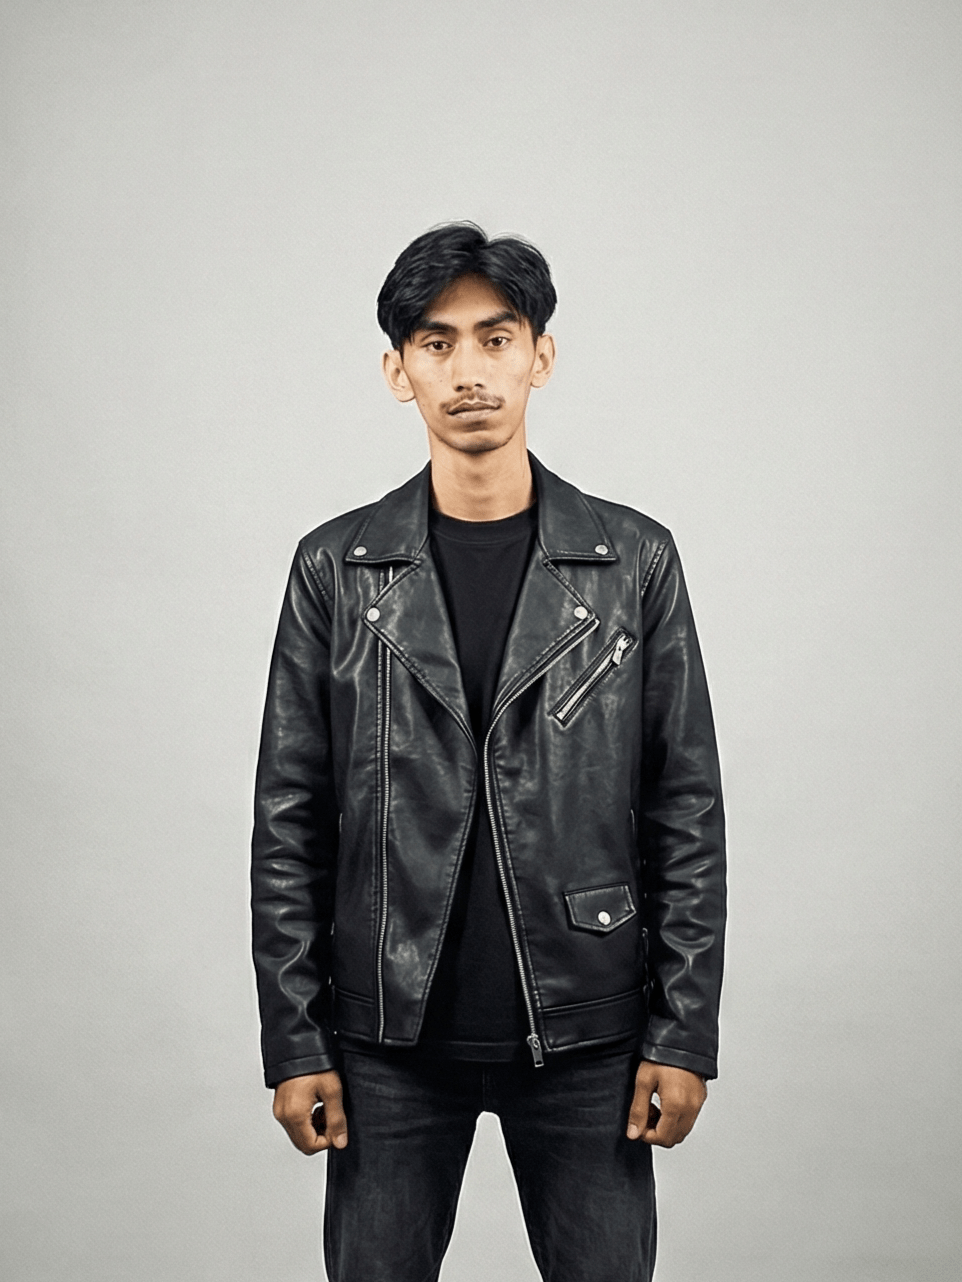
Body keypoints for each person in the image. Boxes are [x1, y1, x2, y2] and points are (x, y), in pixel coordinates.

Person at [251, 222, 726, 1282]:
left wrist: (682, 1031)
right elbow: (289, 818)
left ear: (539, 357)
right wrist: (297, 1038)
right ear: (398, 371)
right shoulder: (335, 569)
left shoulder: (631, 562)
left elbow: (684, 807)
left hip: (589, 1034)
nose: (468, 370)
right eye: (436, 342)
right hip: (385, 1043)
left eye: (495, 338)